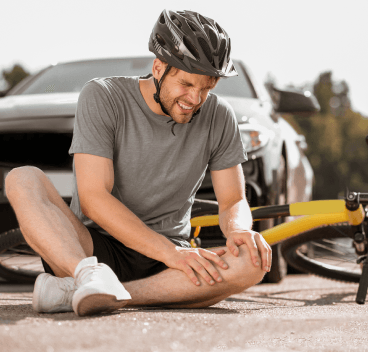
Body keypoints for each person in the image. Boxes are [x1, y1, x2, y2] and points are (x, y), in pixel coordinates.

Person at [5, 9, 271, 317]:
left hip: (168, 261)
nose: (196, 98)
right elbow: (93, 199)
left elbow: (233, 199)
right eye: (186, 84)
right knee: (22, 178)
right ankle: (88, 279)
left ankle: (92, 294)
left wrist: (239, 230)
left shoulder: (219, 116)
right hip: (94, 249)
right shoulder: (103, 96)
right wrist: (170, 254)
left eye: (207, 87)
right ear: (159, 67)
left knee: (252, 263)